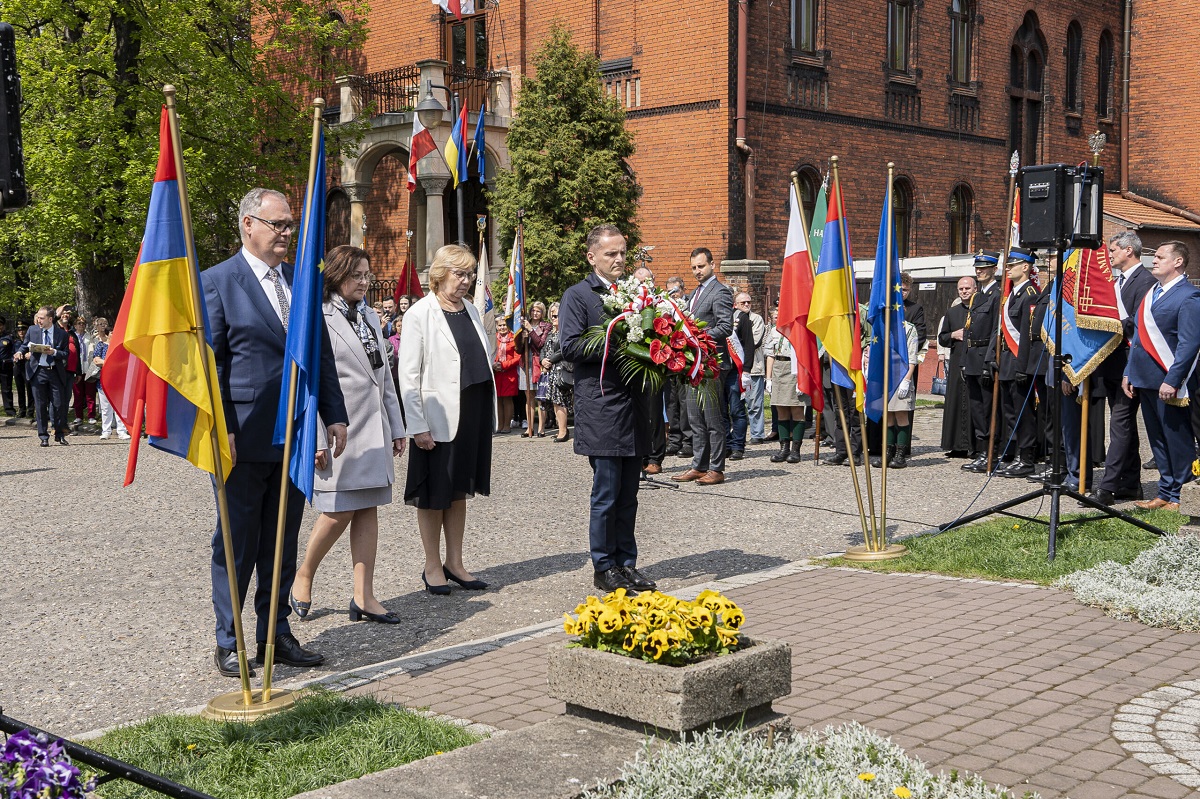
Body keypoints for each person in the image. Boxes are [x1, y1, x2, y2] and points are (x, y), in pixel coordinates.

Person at [202, 187, 349, 678]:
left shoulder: (301, 282)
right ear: (248, 225)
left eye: (290, 225)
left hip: (296, 433)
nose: (288, 233)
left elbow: (319, 354)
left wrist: (334, 413)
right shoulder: (218, 283)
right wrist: (221, 428)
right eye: (279, 224)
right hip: (241, 435)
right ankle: (231, 639)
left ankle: (275, 631)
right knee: (237, 542)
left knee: (282, 540)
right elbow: (210, 365)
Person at [292, 247, 407, 625]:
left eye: (367, 274)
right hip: (338, 428)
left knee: (368, 508)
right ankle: (304, 573)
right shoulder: (319, 318)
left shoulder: (371, 316)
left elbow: (383, 376)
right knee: (337, 510)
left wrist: (397, 425)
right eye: (357, 275)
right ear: (338, 275)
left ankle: (364, 596)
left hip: (374, 428)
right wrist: (318, 439)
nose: (364, 281)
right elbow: (310, 383)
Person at [560, 224, 656, 595]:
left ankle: (626, 563)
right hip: (601, 406)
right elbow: (569, 346)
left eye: (622, 253)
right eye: (610, 254)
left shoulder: (635, 294)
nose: (619, 259)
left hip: (634, 406)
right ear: (592, 256)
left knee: (630, 492)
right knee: (607, 492)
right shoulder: (579, 295)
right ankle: (604, 566)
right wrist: (618, 341)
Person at [399, 244, 495, 594]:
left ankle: (455, 562)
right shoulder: (420, 314)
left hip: (470, 412)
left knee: (458, 491)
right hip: (437, 418)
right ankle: (431, 565)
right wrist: (417, 424)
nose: (467, 280)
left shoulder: (469, 309)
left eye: (470, 274)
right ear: (440, 274)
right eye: (460, 273)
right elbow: (408, 375)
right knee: (433, 493)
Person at [1124, 241, 1200, 511]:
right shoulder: (1151, 293)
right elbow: (1137, 339)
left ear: (1178, 262)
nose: (1153, 260)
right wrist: (1128, 372)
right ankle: (1165, 491)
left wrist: (1173, 379)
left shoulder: (1189, 296)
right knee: (1157, 439)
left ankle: (1182, 494)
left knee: (1177, 440)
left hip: (1170, 382)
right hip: (1145, 378)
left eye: (1159, 257)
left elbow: (1189, 344)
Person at [1091, 231, 1156, 506]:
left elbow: (1141, 326)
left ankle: (1107, 488)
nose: (1111, 254)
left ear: (1129, 250)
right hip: (1112, 363)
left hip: (1132, 363)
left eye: (1114, 250)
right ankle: (1131, 485)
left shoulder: (1146, 282)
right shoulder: (1116, 282)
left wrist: (1110, 321)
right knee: (1124, 426)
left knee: (1119, 425)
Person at [672, 247, 734, 485]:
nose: (697, 271)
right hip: (692, 363)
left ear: (712, 265)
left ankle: (716, 468)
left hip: (711, 363)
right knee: (694, 417)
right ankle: (699, 465)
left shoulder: (720, 292)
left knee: (712, 418)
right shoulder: (694, 294)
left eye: (701, 266)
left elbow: (725, 326)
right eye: (694, 268)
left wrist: (697, 338)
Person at [995, 248, 1040, 477]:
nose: (1007, 268)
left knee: (1024, 413)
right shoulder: (1012, 294)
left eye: (1012, 265)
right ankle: (1016, 455)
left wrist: (1023, 366)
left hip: (1019, 362)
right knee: (1011, 412)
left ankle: (1027, 459)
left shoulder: (1030, 293)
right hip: (1007, 361)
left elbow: (1027, 333)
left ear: (1025, 267)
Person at [961, 252, 1002, 473]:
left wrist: (989, 360)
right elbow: (969, 329)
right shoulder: (977, 296)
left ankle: (991, 454)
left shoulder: (997, 295)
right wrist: (963, 362)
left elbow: (996, 330)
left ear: (994, 269)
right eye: (977, 268)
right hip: (972, 358)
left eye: (984, 268)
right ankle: (981, 451)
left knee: (988, 409)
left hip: (985, 357)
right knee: (976, 409)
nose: (980, 271)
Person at [15, 306, 71, 446]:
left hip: (55, 372)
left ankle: (59, 434)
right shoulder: (33, 330)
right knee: (40, 405)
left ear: (50, 319)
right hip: (38, 372)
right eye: (38, 317)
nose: (38, 320)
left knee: (58, 404)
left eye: (41, 318)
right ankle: (43, 436)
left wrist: (54, 353)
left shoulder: (62, 334)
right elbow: (25, 345)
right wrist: (19, 352)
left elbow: (65, 354)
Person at [869, 320, 919, 468]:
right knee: (888, 415)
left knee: (901, 415)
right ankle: (888, 452)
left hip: (901, 375)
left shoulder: (909, 328)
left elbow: (912, 356)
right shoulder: (882, 327)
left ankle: (900, 454)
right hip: (885, 377)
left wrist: (907, 379)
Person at [764, 307, 810, 464]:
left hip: (795, 369)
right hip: (779, 367)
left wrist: (801, 379)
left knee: (797, 409)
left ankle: (796, 450)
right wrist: (768, 378)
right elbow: (770, 354)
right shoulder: (774, 331)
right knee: (780, 408)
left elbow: (804, 353)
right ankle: (784, 448)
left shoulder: (798, 330)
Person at [633, 265, 667, 473]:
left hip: (654, 364)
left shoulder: (661, 302)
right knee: (636, 412)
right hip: (633, 364)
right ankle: (640, 455)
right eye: (638, 282)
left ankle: (655, 456)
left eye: (646, 281)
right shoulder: (628, 303)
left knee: (654, 412)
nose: (642, 285)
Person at [938, 277, 975, 456]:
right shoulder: (952, 312)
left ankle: (975, 446)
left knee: (974, 403)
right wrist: (953, 334)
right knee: (955, 402)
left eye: (967, 288)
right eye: (961, 289)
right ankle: (956, 446)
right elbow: (942, 338)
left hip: (976, 361)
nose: (964, 291)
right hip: (956, 360)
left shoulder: (981, 309)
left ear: (975, 289)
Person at [663, 276, 693, 458]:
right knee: (671, 403)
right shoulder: (663, 308)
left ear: (682, 290)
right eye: (669, 292)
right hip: (668, 360)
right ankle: (674, 440)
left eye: (675, 291)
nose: (673, 295)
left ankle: (688, 441)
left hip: (685, 360)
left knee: (684, 403)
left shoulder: (688, 307)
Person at [898, 272, 927, 462]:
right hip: (886, 364)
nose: (902, 292)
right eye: (899, 288)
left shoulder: (915, 309)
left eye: (906, 289)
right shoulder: (886, 307)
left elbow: (921, 334)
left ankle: (902, 448)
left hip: (906, 363)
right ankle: (881, 445)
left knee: (903, 407)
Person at [89, 317, 130, 441]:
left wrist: (109, 363)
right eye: (111, 332)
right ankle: (106, 431)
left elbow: (124, 362)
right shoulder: (101, 345)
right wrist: (110, 363)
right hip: (104, 379)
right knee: (106, 407)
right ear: (107, 334)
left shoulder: (121, 347)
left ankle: (121, 430)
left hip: (119, 379)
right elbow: (96, 360)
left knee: (119, 406)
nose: (113, 334)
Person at [727, 292, 756, 460]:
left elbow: (749, 345)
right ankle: (726, 444)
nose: (746, 304)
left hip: (735, 370)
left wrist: (746, 369)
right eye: (742, 301)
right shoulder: (719, 315)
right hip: (720, 370)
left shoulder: (741, 318)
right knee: (722, 411)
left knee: (737, 409)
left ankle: (738, 446)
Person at [541, 301, 574, 443]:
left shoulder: (566, 331)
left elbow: (564, 349)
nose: (554, 318)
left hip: (561, 369)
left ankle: (563, 431)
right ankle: (561, 428)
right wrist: (543, 360)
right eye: (552, 315)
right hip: (551, 371)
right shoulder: (550, 332)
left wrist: (550, 360)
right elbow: (543, 348)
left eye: (556, 315)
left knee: (560, 401)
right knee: (555, 401)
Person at [521, 302, 552, 438]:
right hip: (525, 362)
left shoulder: (546, 326)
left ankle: (541, 428)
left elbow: (540, 343)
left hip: (538, 362)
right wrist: (522, 337)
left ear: (542, 313)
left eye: (538, 311)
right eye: (533, 310)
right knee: (529, 397)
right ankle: (529, 427)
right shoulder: (523, 325)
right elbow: (518, 347)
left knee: (541, 397)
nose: (535, 313)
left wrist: (531, 330)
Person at [741, 295, 768, 444]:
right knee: (737, 404)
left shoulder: (756, 319)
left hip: (754, 367)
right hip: (736, 368)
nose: (746, 304)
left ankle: (757, 433)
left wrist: (738, 341)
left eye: (749, 302)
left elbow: (755, 341)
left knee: (755, 403)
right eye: (743, 302)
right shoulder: (733, 318)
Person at [493, 316, 521, 433]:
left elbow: (518, 357)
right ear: (496, 327)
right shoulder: (494, 338)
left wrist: (503, 365)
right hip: (497, 373)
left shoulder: (514, 338)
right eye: (500, 325)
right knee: (498, 399)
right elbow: (490, 353)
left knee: (507, 399)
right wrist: (494, 364)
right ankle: (499, 425)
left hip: (509, 373)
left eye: (504, 325)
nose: (502, 327)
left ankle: (507, 425)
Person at [73, 315, 98, 425]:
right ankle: (78, 416)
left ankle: (91, 415)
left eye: (83, 324)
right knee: (78, 394)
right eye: (79, 324)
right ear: (75, 325)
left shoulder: (90, 337)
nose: (81, 326)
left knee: (90, 394)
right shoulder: (72, 336)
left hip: (88, 368)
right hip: (77, 368)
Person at [12, 322, 33, 419]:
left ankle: (30, 410)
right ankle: (22, 410)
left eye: (23, 330)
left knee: (30, 389)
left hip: (27, 365)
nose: (21, 332)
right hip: (18, 366)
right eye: (19, 330)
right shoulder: (14, 341)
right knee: (20, 389)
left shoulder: (29, 341)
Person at [0, 317, 15, 415]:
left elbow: (13, 351)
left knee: (6, 389)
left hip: (5, 367)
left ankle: (9, 410)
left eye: (0, 325)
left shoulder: (9, 337)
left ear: (3, 326)